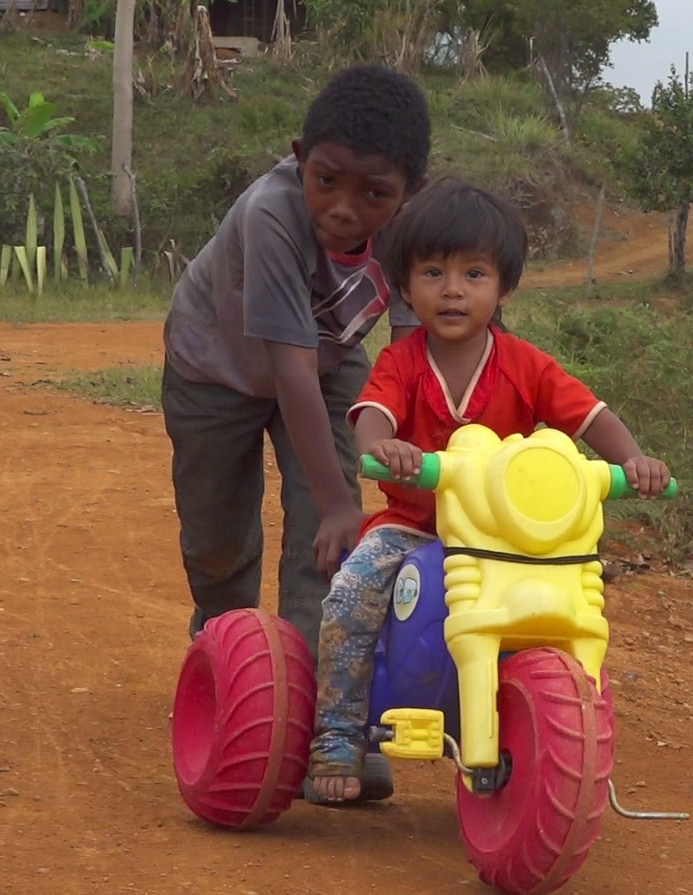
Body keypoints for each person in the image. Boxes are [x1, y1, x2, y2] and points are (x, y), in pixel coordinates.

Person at [308, 181, 672, 802]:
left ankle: (560, 727)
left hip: (508, 536)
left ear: (503, 288)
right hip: (415, 525)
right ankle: (338, 730)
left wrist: (633, 458)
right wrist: (383, 448)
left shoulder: (526, 364)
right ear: (405, 285)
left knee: (569, 611)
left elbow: (589, 417)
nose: (453, 289)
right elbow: (371, 419)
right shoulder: (402, 362)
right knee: (352, 590)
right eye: (433, 272)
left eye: (473, 273)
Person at [160, 68, 429, 673]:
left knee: (328, 541)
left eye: (374, 194)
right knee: (218, 540)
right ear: (300, 158)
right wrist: (339, 503)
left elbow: (415, 354)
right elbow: (289, 371)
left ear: (410, 191)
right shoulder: (271, 212)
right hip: (213, 369)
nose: (344, 209)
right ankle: (227, 654)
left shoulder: (415, 233)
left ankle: (317, 700)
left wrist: (412, 463)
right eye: (326, 180)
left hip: (329, 363)